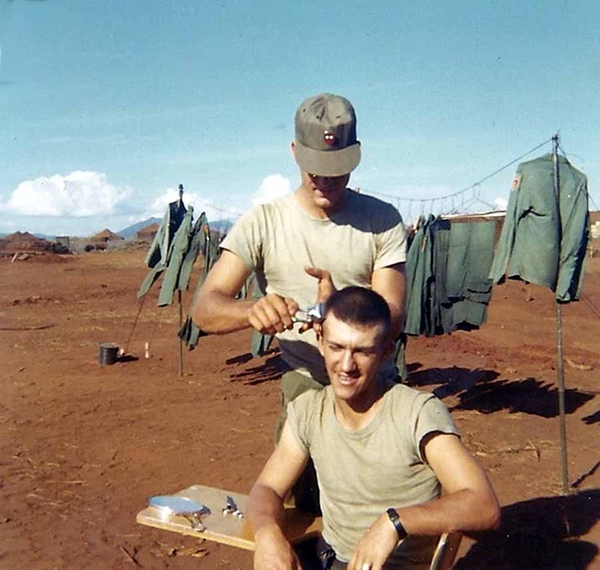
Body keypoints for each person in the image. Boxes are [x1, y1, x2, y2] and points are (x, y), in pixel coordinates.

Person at [191, 92, 407, 433]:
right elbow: (204, 309)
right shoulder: (262, 222)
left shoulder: (383, 219)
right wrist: (251, 311)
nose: (326, 180)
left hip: (374, 384)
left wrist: (341, 309)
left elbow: (393, 316)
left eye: (337, 169)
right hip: (305, 385)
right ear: (295, 152)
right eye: (316, 169)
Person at [247, 287, 500, 570]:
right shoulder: (308, 410)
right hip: (331, 558)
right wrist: (267, 532)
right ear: (319, 340)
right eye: (336, 347)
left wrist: (394, 523)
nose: (346, 365)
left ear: (385, 352)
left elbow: (483, 505)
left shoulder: (415, 413)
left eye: (362, 351)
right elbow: (267, 488)